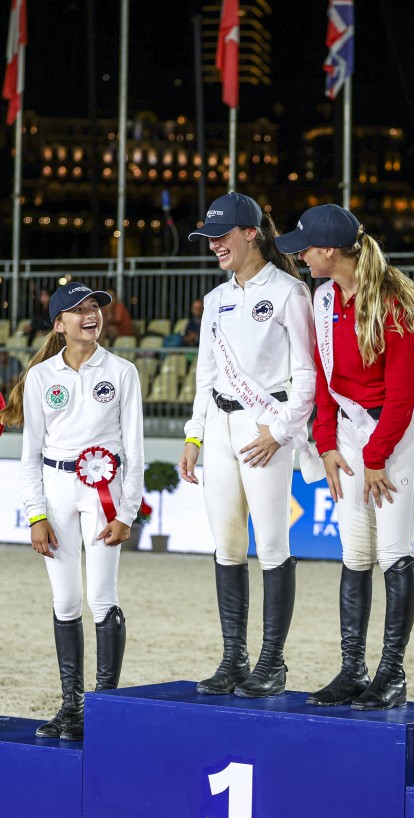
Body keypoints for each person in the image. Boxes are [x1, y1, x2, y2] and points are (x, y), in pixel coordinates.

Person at [275, 204, 414, 711]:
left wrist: (377, 455)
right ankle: (353, 669)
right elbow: (323, 380)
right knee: (355, 554)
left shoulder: (393, 302)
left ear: (329, 251)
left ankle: (392, 673)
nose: (300, 255)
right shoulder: (323, 297)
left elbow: (403, 394)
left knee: (394, 553)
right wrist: (325, 444)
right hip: (346, 435)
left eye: (305, 248)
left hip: (393, 436)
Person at [179, 192, 316, 699]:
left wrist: (279, 433)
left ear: (251, 233)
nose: (214, 245)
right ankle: (234, 659)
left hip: (265, 428)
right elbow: (205, 375)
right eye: (209, 238)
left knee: (273, 545)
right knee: (228, 545)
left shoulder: (289, 292)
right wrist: (194, 434)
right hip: (219, 427)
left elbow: (307, 374)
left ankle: (272, 663)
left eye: (222, 235)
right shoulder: (216, 299)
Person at [0, 282, 144, 740]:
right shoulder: (41, 377)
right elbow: (29, 455)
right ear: (59, 324)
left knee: (102, 597)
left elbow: (135, 451)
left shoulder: (123, 371)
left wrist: (126, 511)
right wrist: (36, 514)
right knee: (64, 601)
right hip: (57, 489)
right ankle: (72, 707)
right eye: (78, 309)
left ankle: (106, 708)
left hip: (104, 490)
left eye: (94, 307)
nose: (90, 315)